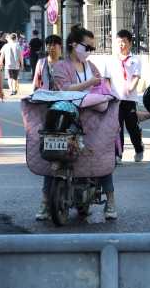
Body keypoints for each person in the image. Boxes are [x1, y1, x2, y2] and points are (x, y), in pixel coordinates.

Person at [52, 24, 118, 220]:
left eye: (91, 48)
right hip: (69, 121)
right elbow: (64, 89)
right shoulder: (60, 67)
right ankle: (46, 202)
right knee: (54, 155)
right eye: (86, 47)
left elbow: (103, 87)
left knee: (102, 158)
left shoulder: (92, 66)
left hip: (95, 123)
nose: (89, 52)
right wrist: (89, 84)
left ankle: (111, 201)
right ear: (73, 44)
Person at [32, 34, 64, 221]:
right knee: (49, 158)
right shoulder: (42, 64)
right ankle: (45, 202)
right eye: (49, 44)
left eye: (55, 44)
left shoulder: (66, 64)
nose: (52, 47)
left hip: (66, 111)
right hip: (47, 113)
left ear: (61, 47)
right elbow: (37, 85)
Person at [105, 29, 144, 164]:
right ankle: (118, 154)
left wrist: (131, 87)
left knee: (132, 127)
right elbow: (107, 79)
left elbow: (136, 77)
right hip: (116, 99)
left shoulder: (135, 59)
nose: (121, 45)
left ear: (130, 43)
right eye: (119, 42)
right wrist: (109, 93)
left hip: (130, 99)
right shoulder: (111, 60)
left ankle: (139, 149)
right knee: (117, 127)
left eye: (124, 42)